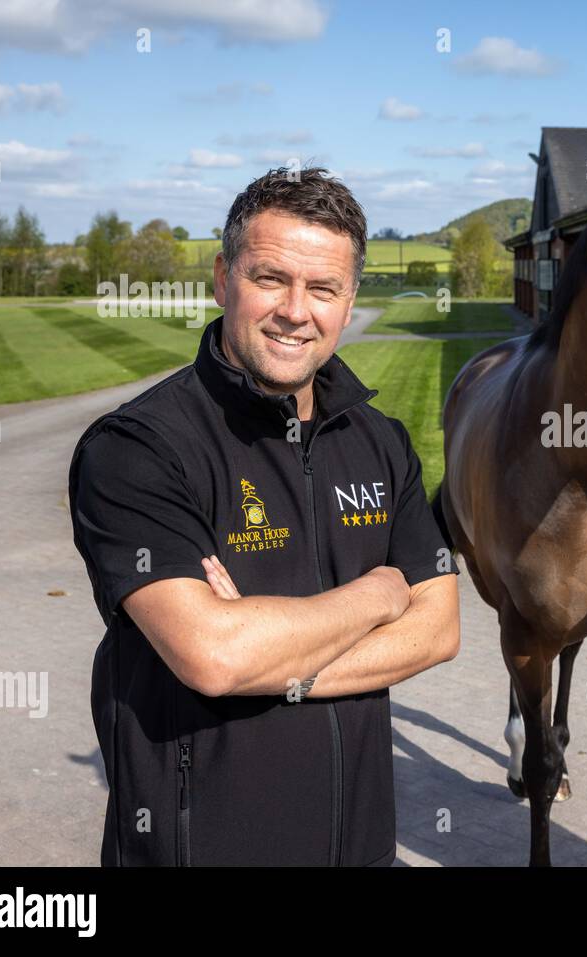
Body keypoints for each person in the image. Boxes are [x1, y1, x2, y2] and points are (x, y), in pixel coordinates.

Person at [69, 167, 460, 866]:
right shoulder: (137, 448)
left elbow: (439, 629)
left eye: (323, 289)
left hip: (360, 849)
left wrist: (270, 652)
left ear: (348, 301)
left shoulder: (380, 440)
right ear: (223, 279)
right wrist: (378, 594)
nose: (296, 311)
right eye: (271, 278)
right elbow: (214, 656)